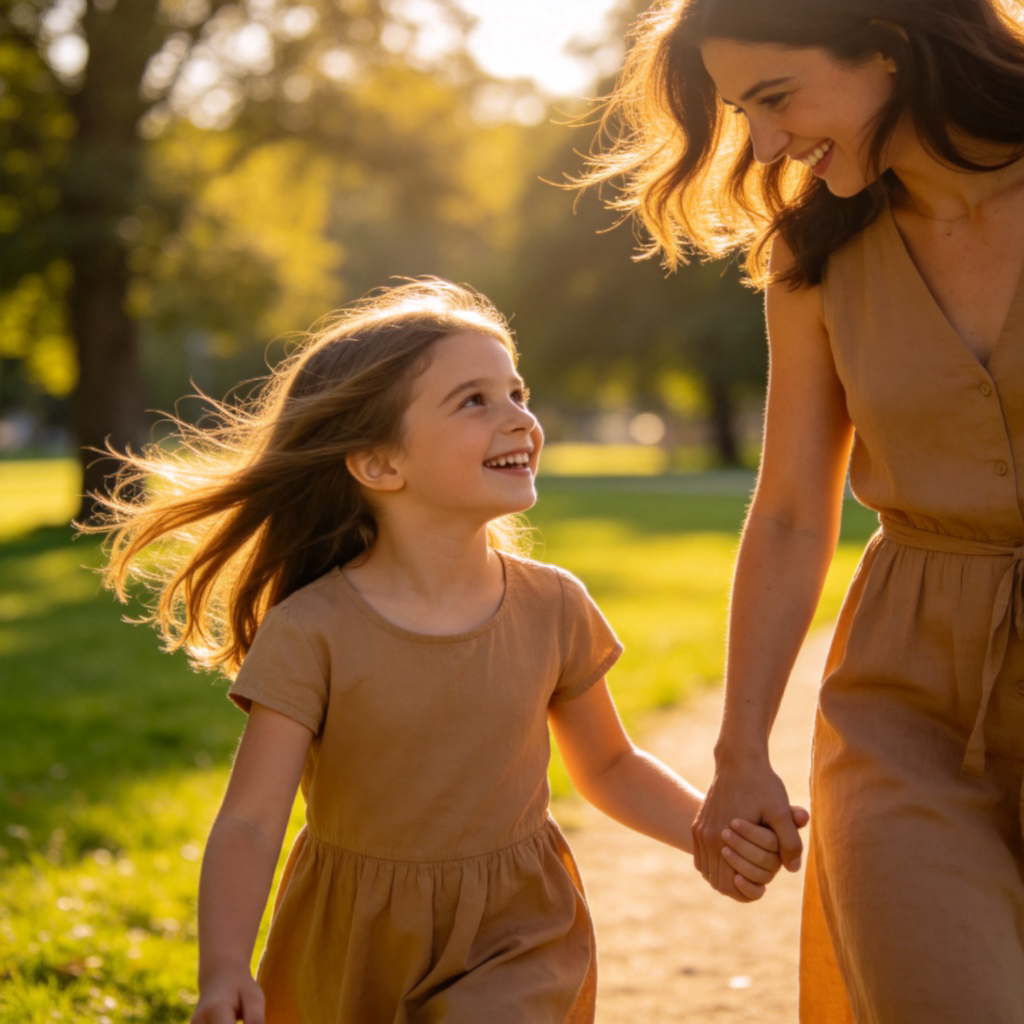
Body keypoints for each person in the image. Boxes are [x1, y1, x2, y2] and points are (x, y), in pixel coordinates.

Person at [86, 278, 802, 1024]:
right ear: (378, 464)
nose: (520, 419)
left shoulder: (552, 605)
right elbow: (251, 821)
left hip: (518, 929)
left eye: (517, 393)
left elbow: (611, 764)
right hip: (349, 940)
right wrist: (225, 966)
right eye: (475, 401)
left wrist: (705, 831)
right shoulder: (313, 630)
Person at [579, 1, 1024, 1021]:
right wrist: (738, 752)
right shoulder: (814, 254)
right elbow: (786, 512)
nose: (768, 145)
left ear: (888, 43)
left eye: (776, 99)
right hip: (905, 701)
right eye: (744, 114)